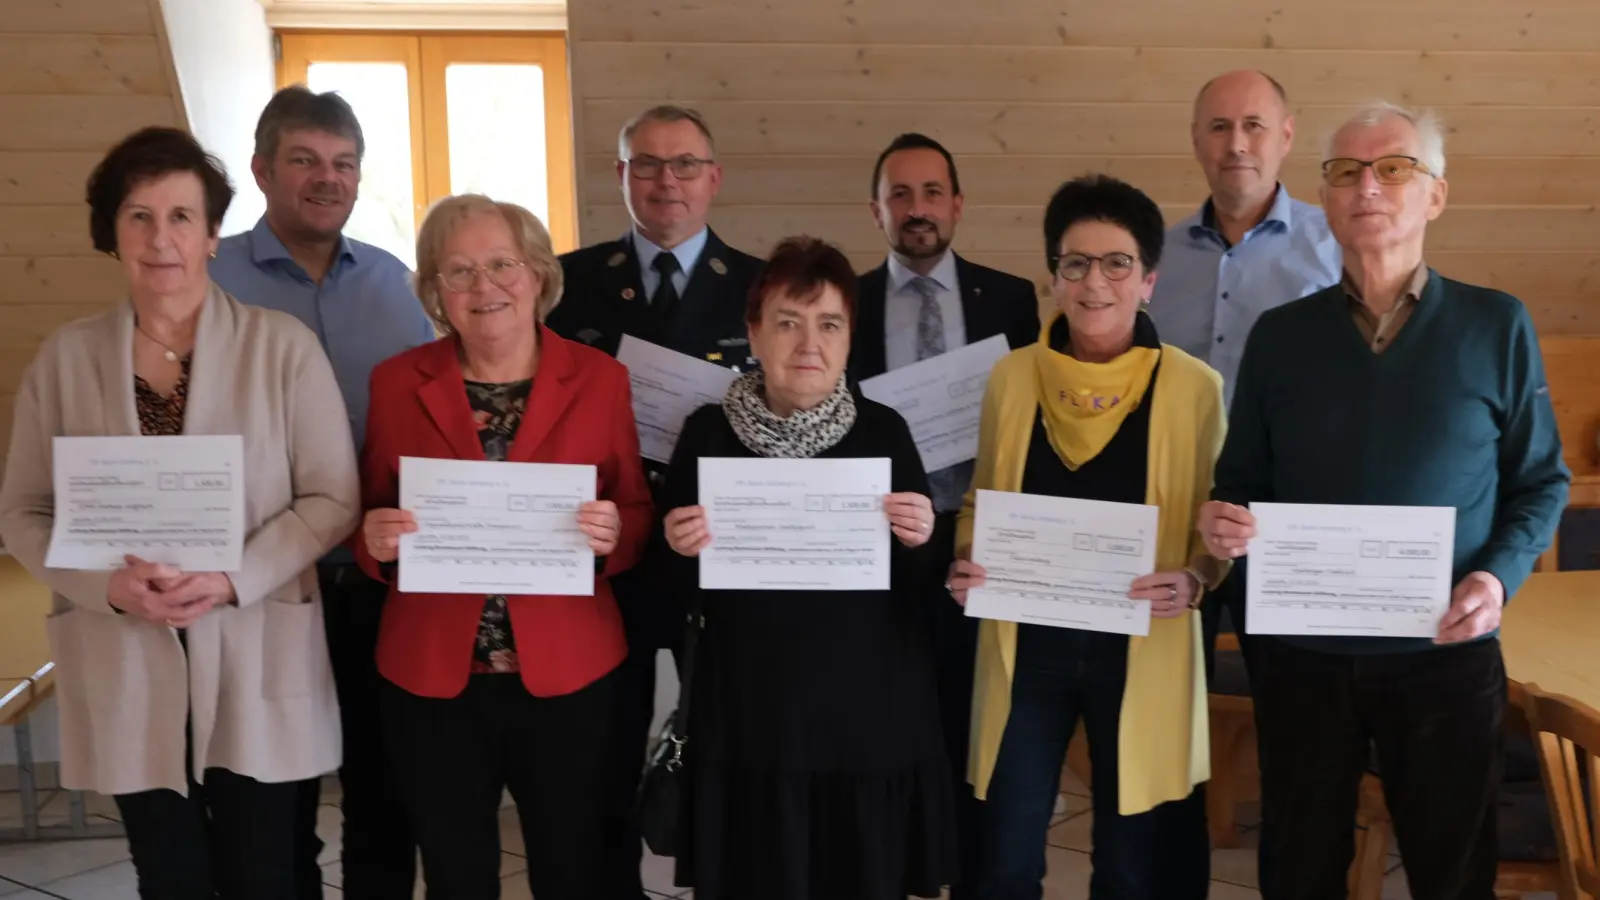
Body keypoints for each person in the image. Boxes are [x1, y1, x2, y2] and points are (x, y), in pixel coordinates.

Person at [1199, 102, 1570, 900]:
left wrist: (1496, 578)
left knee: (1451, 870)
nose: (1367, 186)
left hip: (1444, 651)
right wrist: (1223, 522)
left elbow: (1542, 481)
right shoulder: (1280, 336)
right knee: (1298, 866)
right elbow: (1240, 483)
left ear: (1435, 194)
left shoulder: (1495, 325)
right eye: (1345, 172)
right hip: (1303, 657)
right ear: (1326, 198)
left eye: (1393, 168)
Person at [0, 126, 360, 899]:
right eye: (138, 216)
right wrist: (107, 588)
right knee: (169, 874)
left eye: (180, 217)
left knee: (268, 871)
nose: (160, 238)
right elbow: (23, 512)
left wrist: (235, 577)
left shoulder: (282, 348)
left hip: (256, 638)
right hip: (124, 646)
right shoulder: (66, 359)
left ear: (212, 234)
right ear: (112, 232)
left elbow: (333, 499)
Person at [354, 194, 653, 899]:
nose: (483, 287)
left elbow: (636, 510)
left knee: (572, 867)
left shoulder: (601, 378)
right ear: (433, 290)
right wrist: (374, 540)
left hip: (568, 671)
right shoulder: (397, 383)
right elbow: (368, 516)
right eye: (457, 272)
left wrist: (614, 534)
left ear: (539, 274)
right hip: (433, 673)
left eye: (501, 265)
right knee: (456, 873)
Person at [946, 175, 1226, 899]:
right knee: (1005, 850)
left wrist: (1196, 577)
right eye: (1075, 263)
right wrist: (965, 559)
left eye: (1116, 263)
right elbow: (980, 503)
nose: (1094, 282)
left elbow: (1217, 527)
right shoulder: (1012, 378)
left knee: (1130, 861)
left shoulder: (1195, 389)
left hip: (1141, 650)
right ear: (1052, 278)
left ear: (1149, 281)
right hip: (1026, 650)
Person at [660, 236, 957, 899]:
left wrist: (921, 541)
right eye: (788, 323)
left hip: (866, 721)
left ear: (850, 338)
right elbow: (670, 590)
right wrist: (675, 547)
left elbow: (921, 591)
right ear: (754, 333)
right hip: (750, 718)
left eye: (829, 324)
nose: (808, 344)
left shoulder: (885, 432)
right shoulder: (706, 434)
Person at [210, 84, 435, 898]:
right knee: (274, 796)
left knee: (384, 787)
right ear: (262, 170)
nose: (326, 178)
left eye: (343, 163)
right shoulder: (210, 280)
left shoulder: (400, 286)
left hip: (381, 583)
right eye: (304, 160)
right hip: (265, 583)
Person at [544, 103, 761, 895]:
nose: (666, 181)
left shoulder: (759, 287)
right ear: (621, 176)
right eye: (647, 164)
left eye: (684, 164)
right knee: (605, 745)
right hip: (608, 551)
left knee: (723, 739)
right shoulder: (566, 286)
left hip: (719, 551)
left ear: (714, 178)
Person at [850, 132, 1040, 895]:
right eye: (901, 194)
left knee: (977, 724)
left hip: (982, 542)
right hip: (884, 543)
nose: (918, 209)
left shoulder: (1012, 297)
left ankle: (966, 868)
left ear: (957, 204)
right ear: (877, 210)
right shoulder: (849, 303)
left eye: (932, 193)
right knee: (893, 720)